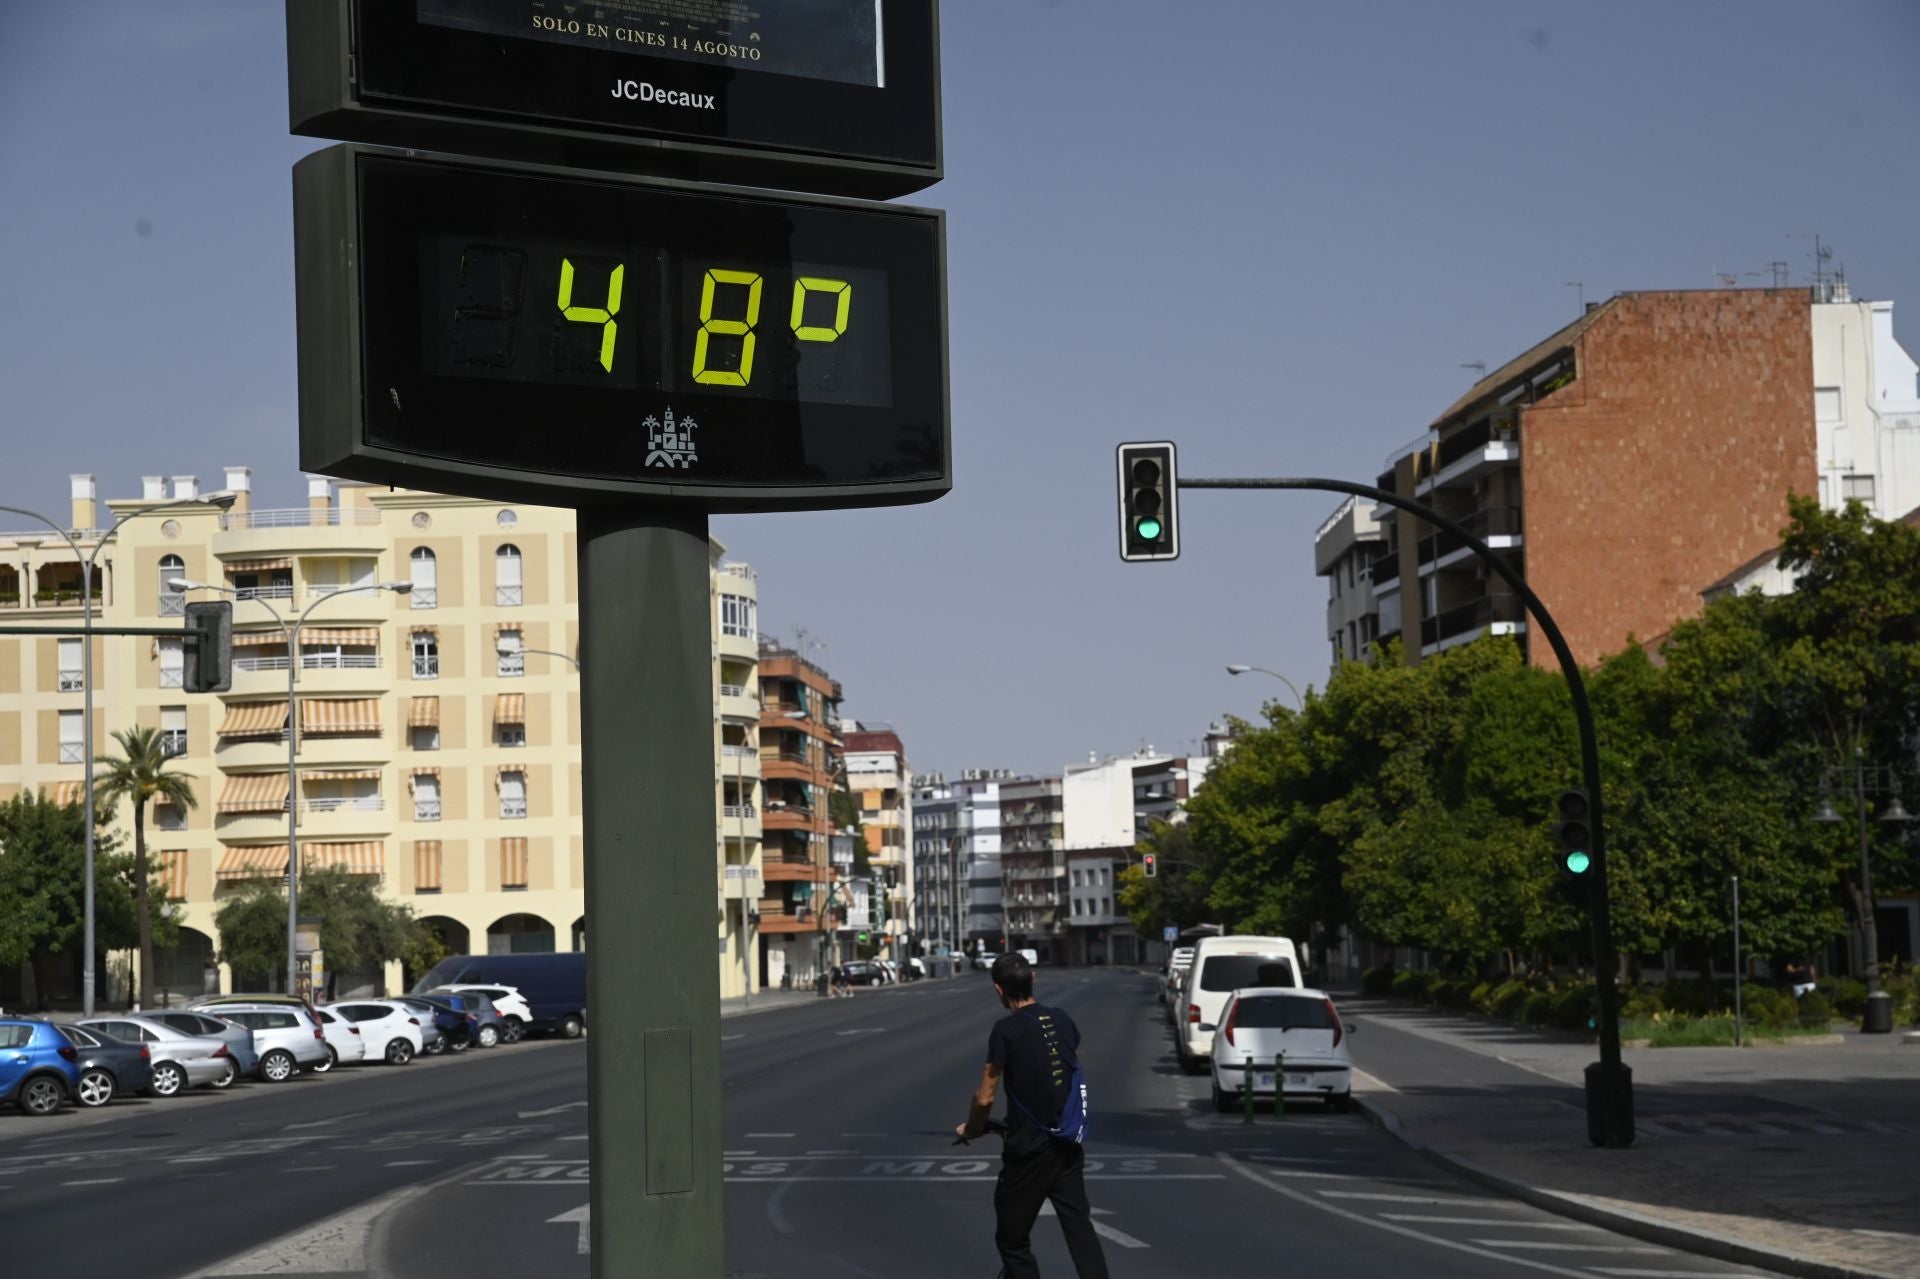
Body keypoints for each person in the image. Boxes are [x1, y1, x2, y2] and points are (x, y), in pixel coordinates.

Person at [954, 953, 1109, 1279]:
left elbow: (985, 1096)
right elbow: (1067, 1067)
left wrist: (972, 1128)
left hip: (1029, 1152)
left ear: (999, 990)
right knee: (1080, 1230)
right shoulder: (1063, 1019)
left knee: (1012, 1240)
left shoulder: (1005, 1031)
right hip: (1066, 1145)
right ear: (1033, 979)